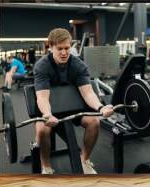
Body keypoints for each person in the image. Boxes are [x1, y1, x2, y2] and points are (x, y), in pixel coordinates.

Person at [33, 28, 114, 174]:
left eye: (67, 48)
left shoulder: (78, 65)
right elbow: (42, 97)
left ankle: (84, 160)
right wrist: (47, 114)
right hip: (50, 108)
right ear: (50, 47)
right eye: (59, 49)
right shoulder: (42, 66)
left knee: (94, 122)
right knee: (42, 129)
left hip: (74, 107)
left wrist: (100, 108)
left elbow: (88, 92)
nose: (64, 53)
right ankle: (45, 166)